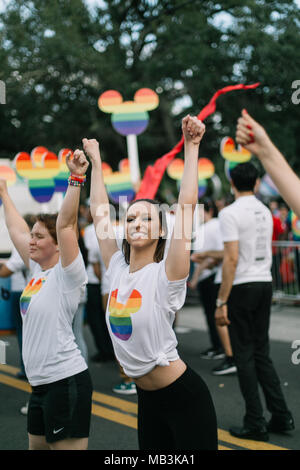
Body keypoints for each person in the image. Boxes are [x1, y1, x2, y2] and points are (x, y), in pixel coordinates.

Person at [84, 115, 218, 450]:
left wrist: (191, 147)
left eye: (147, 218)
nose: (137, 222)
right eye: (131, 218)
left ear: (161, 229)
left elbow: (186, 207)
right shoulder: (116, 266)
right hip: (147, 401)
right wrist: (96, 164)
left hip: (184, 397)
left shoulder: (166, 274)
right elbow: (100, 211)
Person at [0, 149, 92, 450]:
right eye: (33, 235)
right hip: (39, 386)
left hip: (65, 383)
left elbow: (66, 225)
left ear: (58, 245)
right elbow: (15, 228)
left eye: (39, 236)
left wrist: (76, 178)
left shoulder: (68, 274)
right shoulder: (37, 270)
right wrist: (3, 191)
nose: (31, 241)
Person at [214, 160, 294, 442]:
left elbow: (231, 258)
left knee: (245, 355)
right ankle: (281, 415)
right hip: (264, 283)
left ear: (232, 184)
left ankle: (255, 421)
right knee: (262, 352)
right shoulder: (264, 210)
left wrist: (221, 300)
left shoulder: (230, 213)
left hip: (241, 286)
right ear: (257, 183)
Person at [190, 199, 236, 376]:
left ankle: (227, 353)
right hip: (209, 277)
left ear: (206, 210)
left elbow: (221, 253)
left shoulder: (215, 225)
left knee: (217, 315)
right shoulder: (206, 227)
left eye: (197, 211)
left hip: (213, 278)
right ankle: (220, 348)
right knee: (211, 315)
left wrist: (202, 262)